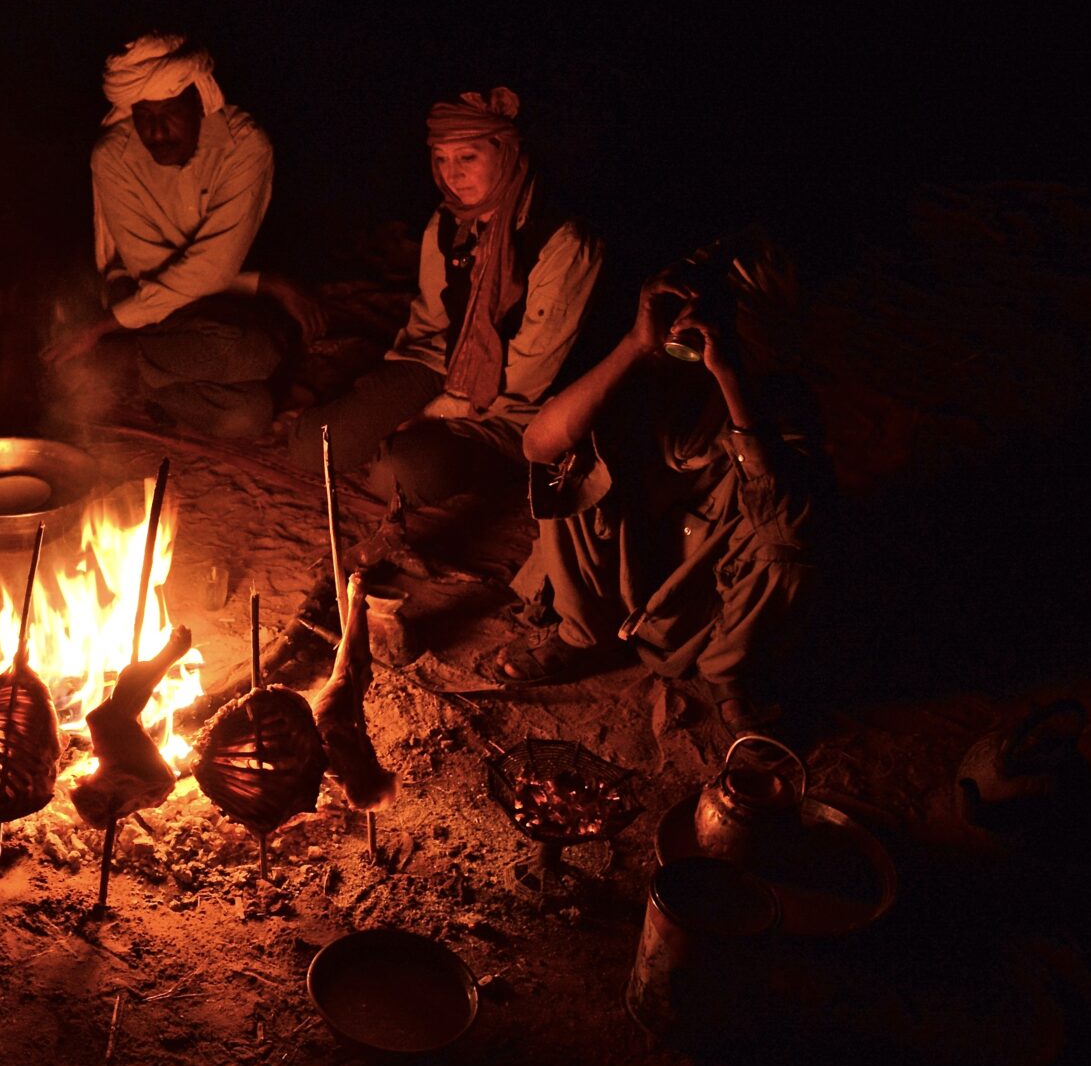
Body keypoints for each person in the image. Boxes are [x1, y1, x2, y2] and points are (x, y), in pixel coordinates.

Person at [493, 234, 822, 733]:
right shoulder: (654, 374)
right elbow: (538, 446)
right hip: (632, 564)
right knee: (572, 455)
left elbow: (784, 522)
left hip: (703, 593)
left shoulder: (782, 402)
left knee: (784, 543)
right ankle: (584, 633)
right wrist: (636, 344)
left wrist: (731, 378)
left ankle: (731, 678)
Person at [291, 87, 601, 507]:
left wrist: (435, 412)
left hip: (519, 406)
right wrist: (393, 394)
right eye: (441, 159)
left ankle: (501, 469)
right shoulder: (446, 223)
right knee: (315, 445)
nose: (452, 174)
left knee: (398, 474)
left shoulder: (561, 241)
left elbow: (529, 376)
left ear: (505, 153)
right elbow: (429, 325)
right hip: (447, 364)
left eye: (467, 158)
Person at [44, 32, 325, 440]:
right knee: (251, 378)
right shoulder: (114, 156)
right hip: (149, 304)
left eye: (169, 113)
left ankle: (134, 369)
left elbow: (212, 269)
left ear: (200, 99)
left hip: (204, 312)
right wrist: (261, 283)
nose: (155, 132)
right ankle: (136, 359)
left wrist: (103, 327)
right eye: (143, 116)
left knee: (254, 381)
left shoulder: (244, 147)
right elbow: (149, 271)